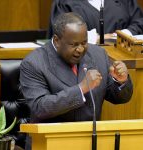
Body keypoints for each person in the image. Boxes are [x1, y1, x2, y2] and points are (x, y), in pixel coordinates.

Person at [20, 12, 133, 149]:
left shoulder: (98, 55)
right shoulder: (34, 63)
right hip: (51, 143)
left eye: (84, 43)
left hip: (91, 142)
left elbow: (119, 97)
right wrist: (81, 89)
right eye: (73, 44)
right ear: (56, 40)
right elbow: (40, 107)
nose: (80, 49)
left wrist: (121, 81)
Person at [48, 0, 143, 40]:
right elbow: (61, 31)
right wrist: (96, 38)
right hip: (82, 63)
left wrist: (121, 35)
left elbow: (139, 21)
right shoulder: (64, 2)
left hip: (123, 61)